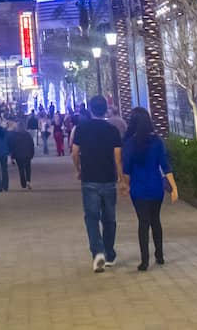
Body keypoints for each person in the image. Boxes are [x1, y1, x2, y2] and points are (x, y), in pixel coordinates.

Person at [72, 96, 124, 272]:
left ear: (91, 109)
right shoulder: (113, 130)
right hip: (109, 179)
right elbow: (118, 158)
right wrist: (122, 179)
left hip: (89, 179)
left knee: (92, 218)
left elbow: (74, 152)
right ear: (105, 110)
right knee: (109, 218)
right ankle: (109, 254)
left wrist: (78, 168)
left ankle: (97, 253)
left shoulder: (82, 129)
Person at [122, 107, 177, 271]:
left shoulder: (130, 143)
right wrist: (174, 188)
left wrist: (124, 185)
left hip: (138, 189)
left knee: (143, 222)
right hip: (155, 187)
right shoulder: (157, 142)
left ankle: (144, 261)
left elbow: (126, 170)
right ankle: (159, 255)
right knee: (156, 220)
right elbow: (165, 166)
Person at [8, 119, 36, 190]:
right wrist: (32, 153)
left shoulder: (14, 136)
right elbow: (31, 145)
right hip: (27, 154)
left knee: (21, 170)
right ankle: (28, 181)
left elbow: (12, 146)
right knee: (28, 168)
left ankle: (23, 183)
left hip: (18, 155)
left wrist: (12, 156)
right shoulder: (27, 135)